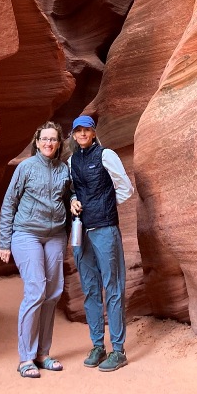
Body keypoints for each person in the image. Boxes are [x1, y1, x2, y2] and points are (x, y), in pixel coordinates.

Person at [0, 121, 71, 379]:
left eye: (53, 139)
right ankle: (25, 358)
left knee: (52, 293)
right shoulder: (26, 168)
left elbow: (70, 197)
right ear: (37, 142)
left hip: (55, 235)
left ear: (59, 143)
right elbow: (9, 204)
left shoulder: (64, 169)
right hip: (26, 233)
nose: (49, 143)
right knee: (36, 290)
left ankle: (43, 354)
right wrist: (4, 242)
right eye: (44, 139)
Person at [69, 114, 134, 372]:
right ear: (74, 135)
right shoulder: (72, 160)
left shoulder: (106, 155)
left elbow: (125, 188)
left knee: (113, 287)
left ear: (94, 133)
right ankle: (98, 345)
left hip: (105, 228)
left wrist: (105, 207)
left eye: (87, 130)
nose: (83, 134)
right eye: (78, 131)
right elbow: (74, 188)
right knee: (91, 289)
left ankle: (118, 349)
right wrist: (73, 199)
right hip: (81, 231)